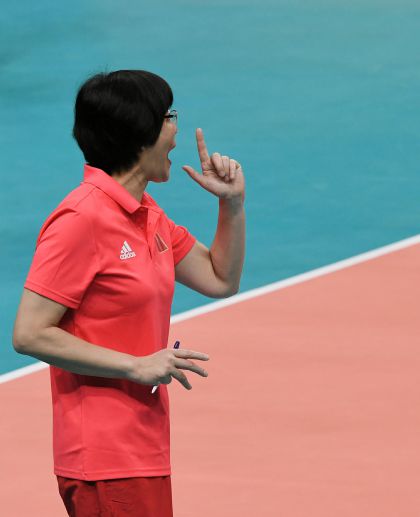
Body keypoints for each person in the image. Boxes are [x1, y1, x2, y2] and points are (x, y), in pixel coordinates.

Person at [12, 70, 245, 517]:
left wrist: (231, 204)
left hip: (142, 445)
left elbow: (220, 278)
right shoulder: (81, 219)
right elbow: (29, 333)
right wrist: (136, 365)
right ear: (140, 134)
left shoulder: (145, 213)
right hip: (105, 457)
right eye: (169, 117)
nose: (177, 130)